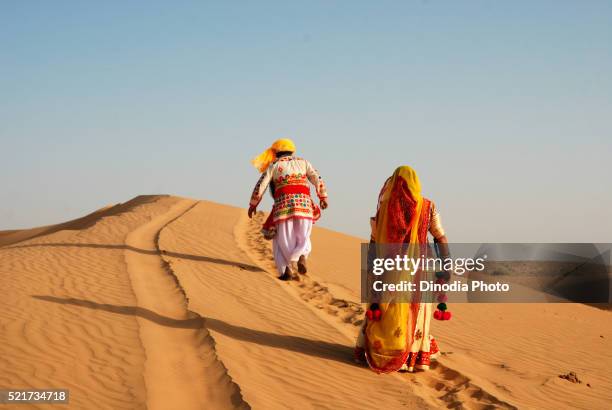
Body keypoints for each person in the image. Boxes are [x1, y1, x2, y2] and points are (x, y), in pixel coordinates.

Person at [355, 165, 450, 373]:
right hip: (421, 268)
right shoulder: (428, 206)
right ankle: (414, 358)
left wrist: (373, 265)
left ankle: (382, 350)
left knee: (385, 306)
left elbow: (374, 238)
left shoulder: (386, 206)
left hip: (390, 266)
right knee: (418, 310)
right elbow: (440, 237)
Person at [248, 139, 328, 280]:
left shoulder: (274, 165)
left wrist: (253, 204)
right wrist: (323, 197)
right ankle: (302, 255)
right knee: (303, 235)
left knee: (282, 239)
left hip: (283, 205)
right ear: (292, 150)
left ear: (276, 152)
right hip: (304, 204)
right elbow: (317, 178)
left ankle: (286, 271)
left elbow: (261, 185)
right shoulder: (303, 162)